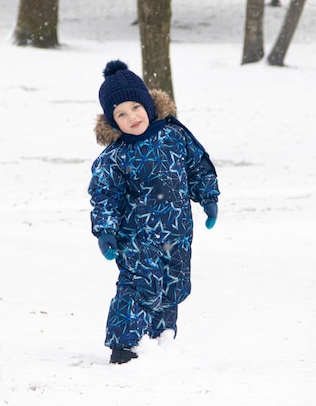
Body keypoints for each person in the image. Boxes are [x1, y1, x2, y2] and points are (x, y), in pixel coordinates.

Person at [88, 60, 220, 364]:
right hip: (138, 239)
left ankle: (161, 342)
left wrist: (209, 197)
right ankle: (124, 346)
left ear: (147, 104)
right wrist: (106, 231)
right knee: (138, 286)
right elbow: (104, 196)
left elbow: (198, 166)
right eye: (121, 114)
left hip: (178, 233)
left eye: (135, 107)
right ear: (112, 121)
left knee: (173, 285)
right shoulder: (116, 157)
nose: (131, 117)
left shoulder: (175, 136)